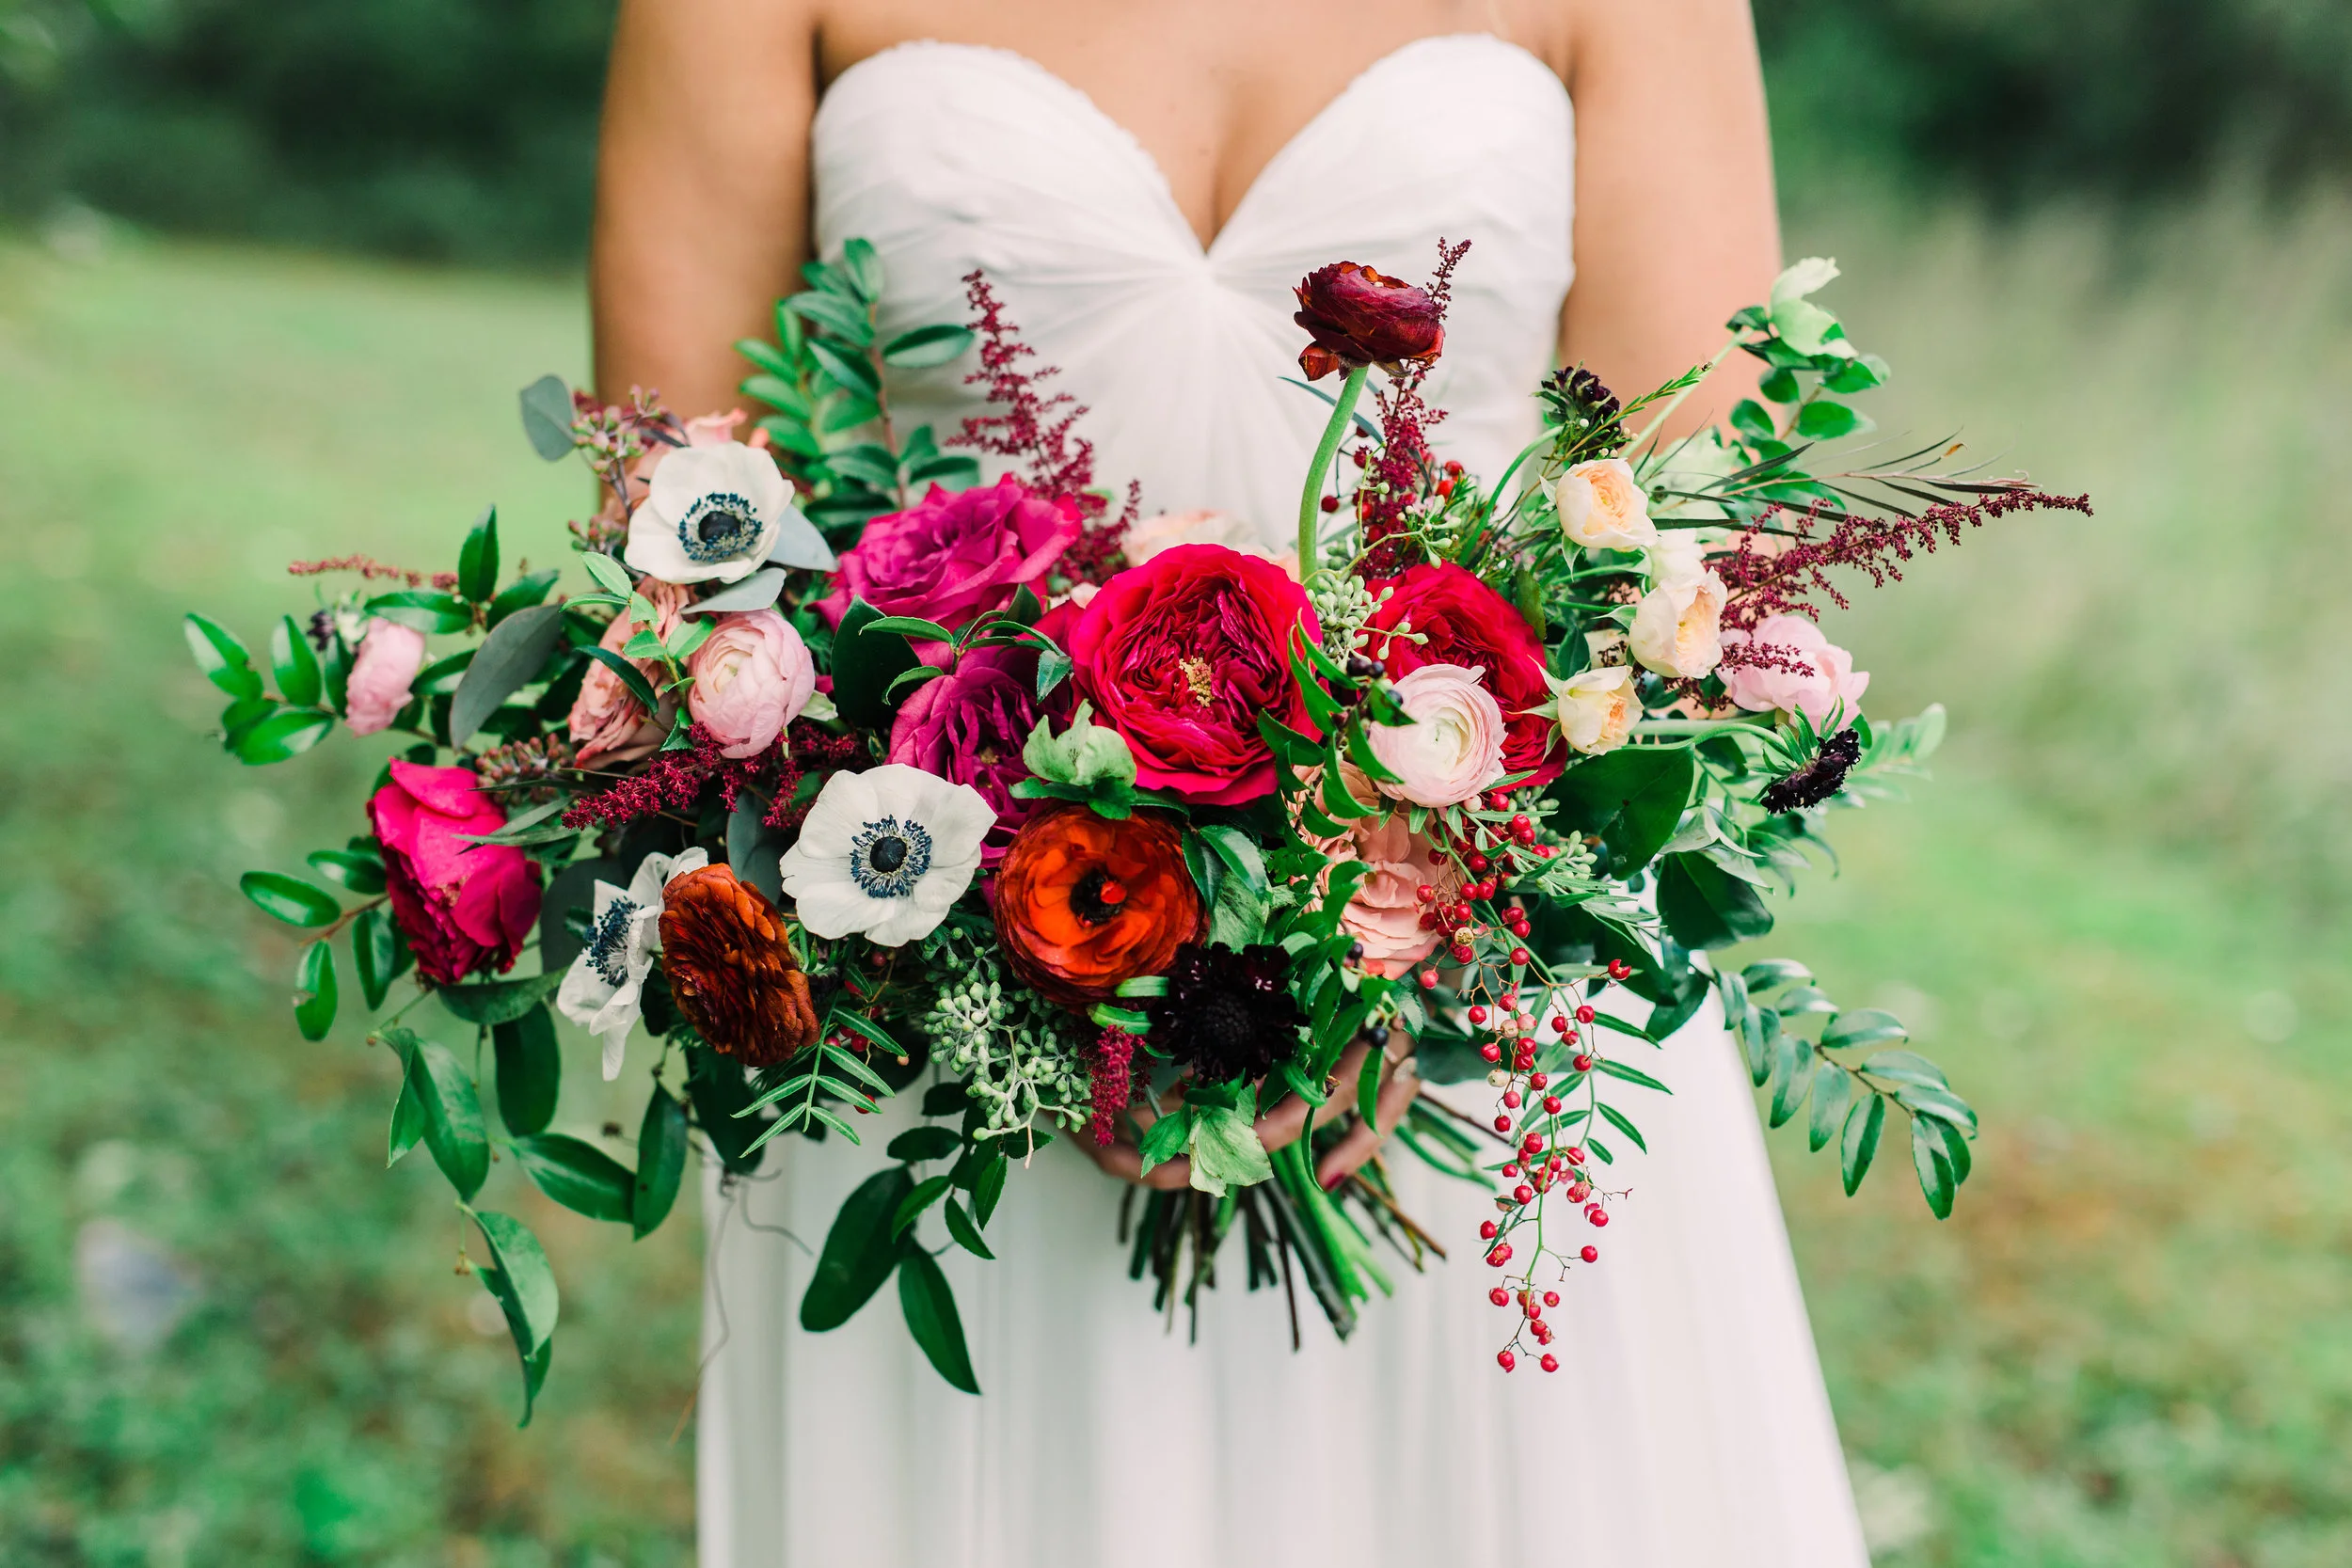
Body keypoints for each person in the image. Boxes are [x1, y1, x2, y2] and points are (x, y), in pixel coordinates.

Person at [594, 4, 1869, 1563]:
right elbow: (685, 516)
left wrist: (1404, 950)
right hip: (929, 1023)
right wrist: (1025, 950)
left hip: (1491, 1037)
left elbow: (1679, 526)